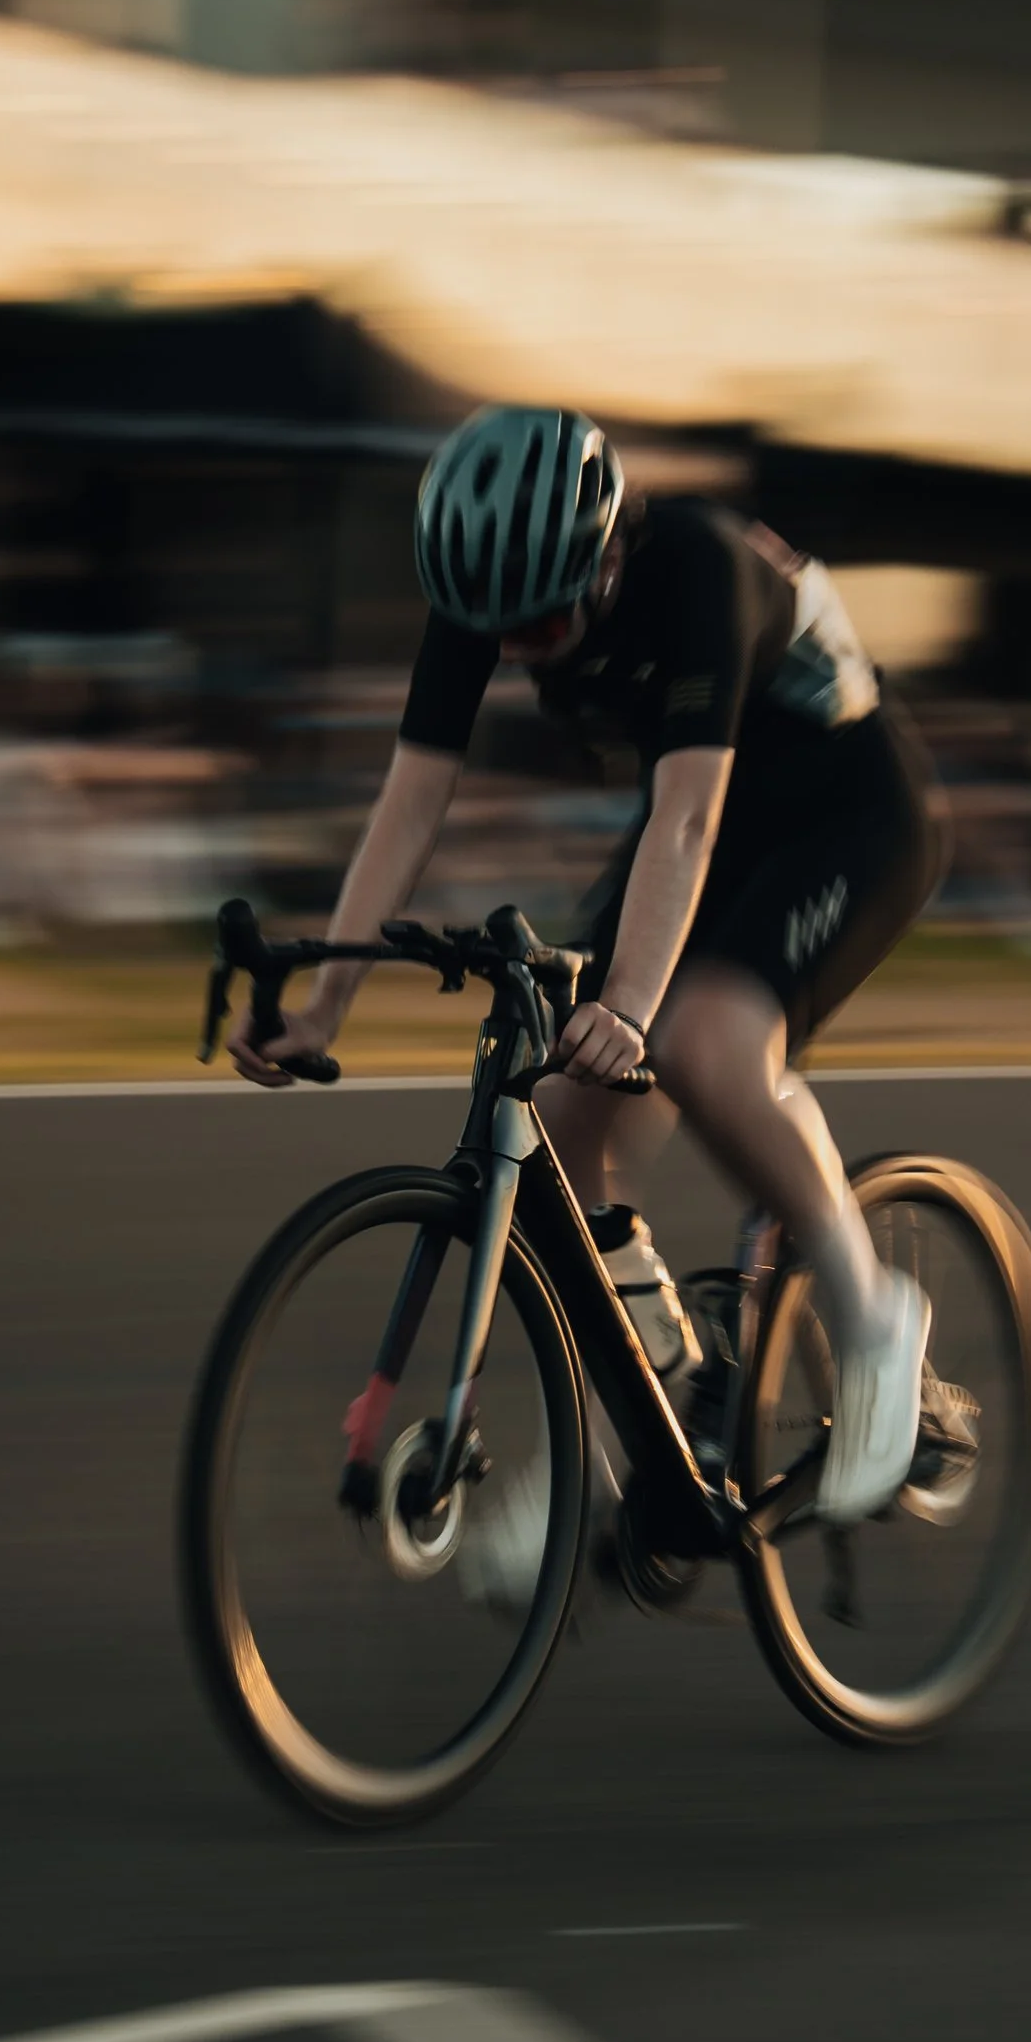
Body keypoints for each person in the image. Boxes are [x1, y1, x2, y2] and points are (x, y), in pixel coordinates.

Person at [227, 403, 945, 1522]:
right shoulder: (490, 589)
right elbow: (412, 801)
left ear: (606, 554)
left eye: (541, 631)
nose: (515, 649)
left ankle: (873, 1319)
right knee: (561, 1116)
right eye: (494, 633)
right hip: (707, 816)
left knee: (704, 1045)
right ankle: (659, 1425)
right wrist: (326, 1004)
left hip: (849, 812)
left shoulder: (696, 568)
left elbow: (688, 823)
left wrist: (630, 1003)